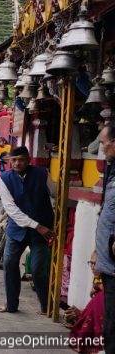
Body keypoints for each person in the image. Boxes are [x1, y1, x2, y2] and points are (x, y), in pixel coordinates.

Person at [0, 146, 54, 315]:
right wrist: (37, 226)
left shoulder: (42, 174)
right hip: (18, 229)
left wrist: (51, 223)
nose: (17, 163)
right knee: (9, 264)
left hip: (43, 228)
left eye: (21, 159)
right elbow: (11, 209)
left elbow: (55, 194)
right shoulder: (4, 178)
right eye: (13, 160)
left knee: (38, 269)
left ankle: (46, 306)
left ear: (29, 160)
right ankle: (11, 305)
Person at [93, 120, 115, 353]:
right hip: (108, 262)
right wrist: (97, 250)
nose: (102, 148)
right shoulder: (112, 172)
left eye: (104, 143)